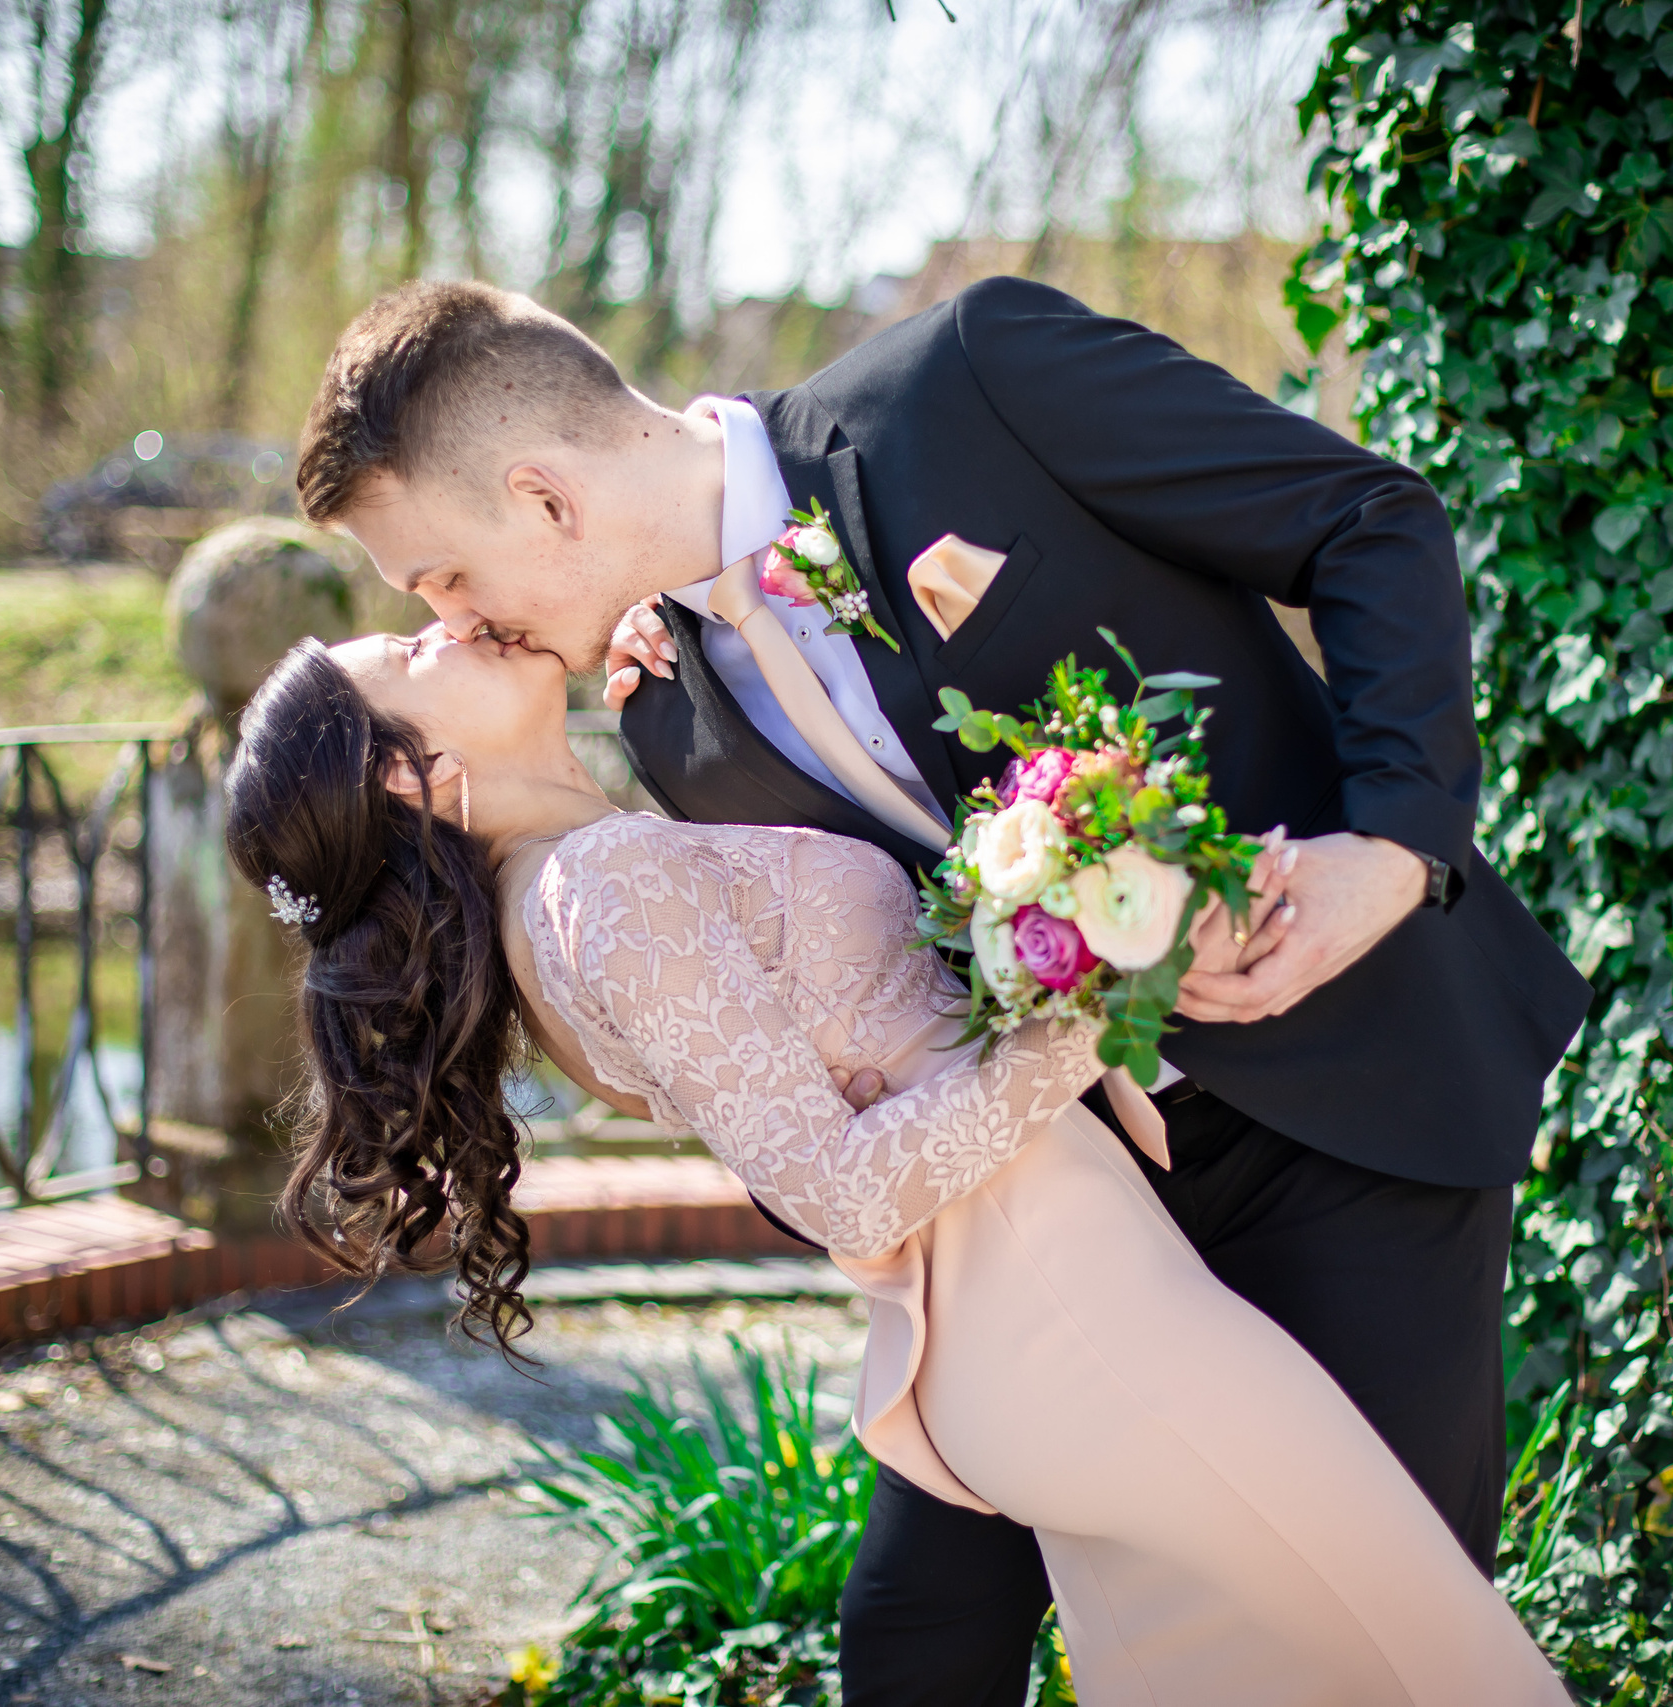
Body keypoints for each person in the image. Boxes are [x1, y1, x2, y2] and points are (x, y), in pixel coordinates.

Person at [288, 278, 1593, 1705]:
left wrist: (1395, 848)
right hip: (1050, 1212)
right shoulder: (665, 710)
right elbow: (858, 1000)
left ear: (542, 498)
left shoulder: (980, 378)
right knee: (915, 1636)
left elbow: (1365, 517)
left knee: (1371, 1643)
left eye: (443, 580)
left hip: (1347, 1102)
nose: (458, 621)